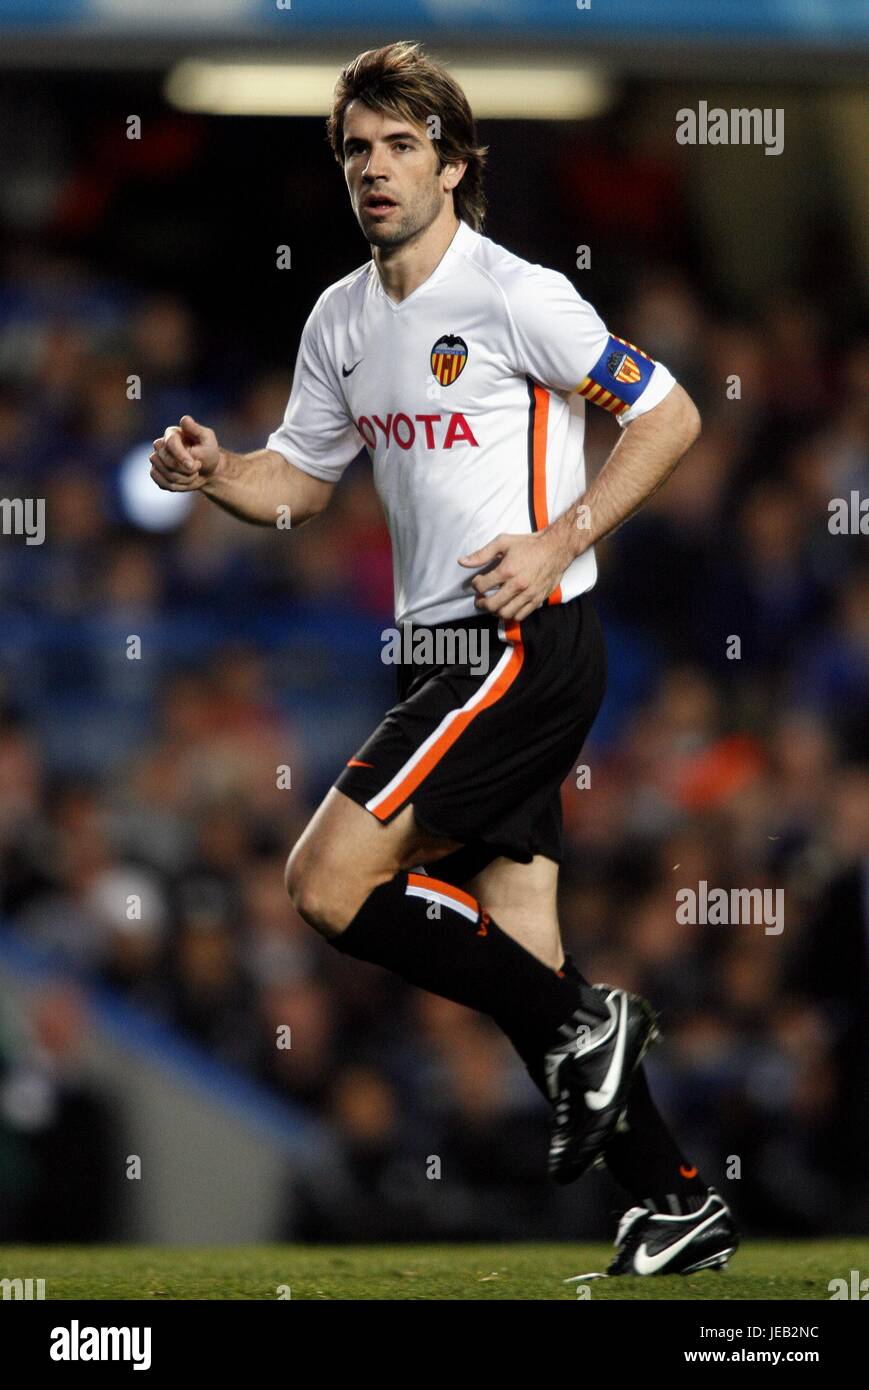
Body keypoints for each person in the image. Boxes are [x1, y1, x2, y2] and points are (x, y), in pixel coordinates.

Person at [151, 40, 737, 1276]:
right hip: (435, 654)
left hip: (520, 643)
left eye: (400, 144)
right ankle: (678, 1195)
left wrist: (561, 534)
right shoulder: (340, 318)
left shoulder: (514, 292)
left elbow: (669, 411)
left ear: (455, 166)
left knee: (325, 884)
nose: (373, 167)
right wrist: (212, 478)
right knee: (519, 956)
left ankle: (591, 1020)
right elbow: (298, 485)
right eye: (355, 147)